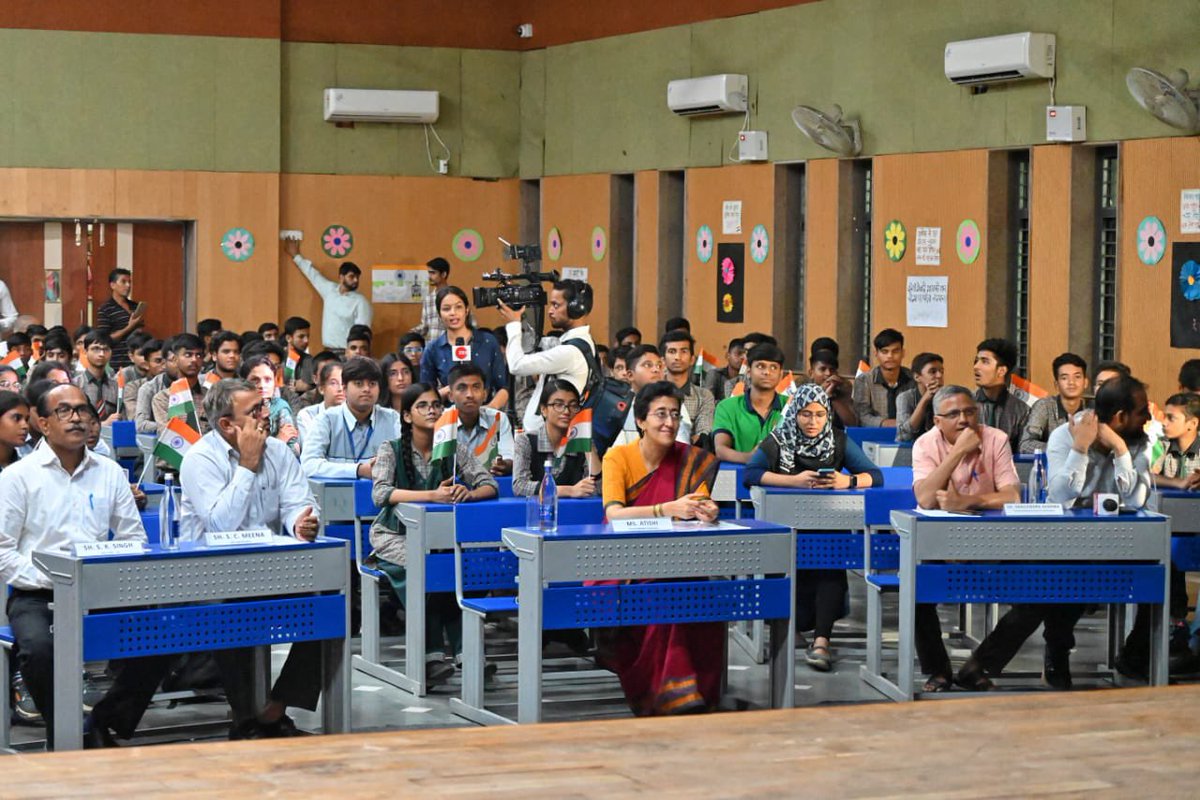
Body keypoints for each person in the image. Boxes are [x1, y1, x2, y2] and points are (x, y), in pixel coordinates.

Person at [0, 383, 171, 746]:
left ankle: (102, 724)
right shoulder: (18, 478)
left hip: (99, 590)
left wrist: (103, 578)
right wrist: (57, 582)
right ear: (43, 424)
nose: (77, 418)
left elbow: (133, 539)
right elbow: (3, 552)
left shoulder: (109, 472)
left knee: (161, 634)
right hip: (38, 594)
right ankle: (61, 731)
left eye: (83, 410)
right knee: (38, 649)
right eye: (64, 411)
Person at [178, 378, 323, 738]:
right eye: (255, 410)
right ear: (227, 424)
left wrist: (299, 523)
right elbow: (220, 527)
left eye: (264, 406)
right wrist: (246, 464)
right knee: (233, 609)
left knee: (334, 604)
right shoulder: (200, 459)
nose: (266, 414)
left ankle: (276, 707)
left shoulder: (279, 451)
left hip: (269, 568)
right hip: (209, 575)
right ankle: (245, 720)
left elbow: (298, 502)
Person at [600, 381, 722, 715]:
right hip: (622, 564)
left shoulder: (690, 460)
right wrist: (665, 509)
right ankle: (672, 693)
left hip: (676, 558)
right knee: (662, 594)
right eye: (660, 414)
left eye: (674, 414)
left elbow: (696, 505)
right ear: (641, 421)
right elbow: (613, 515)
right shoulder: (618, 457)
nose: (669, 422)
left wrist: (708, 510)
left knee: (702, 594)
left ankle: (697, 690)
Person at [744, 384, 883, 672]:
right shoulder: (778, 440)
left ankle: (822, 642)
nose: (813, 422)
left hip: (828, 527)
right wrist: (793, 481)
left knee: (830, 569)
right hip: (785, 527)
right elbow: (751, 474)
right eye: (806, 414)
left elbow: (876, 476)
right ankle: (788, 625)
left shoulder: (839, 440)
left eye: (820, 415)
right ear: (794, 413)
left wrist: (848, 482)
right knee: (784, 570)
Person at [368, 382, 499, 684]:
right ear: (407, 416)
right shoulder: (390, 449)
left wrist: (470, 493)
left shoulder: (454, 448)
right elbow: (380, 494)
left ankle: (469, 654)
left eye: (435, 406)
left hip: (439, 539)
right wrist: (431, 496)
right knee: (427, 569)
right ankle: (430, 656)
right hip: (393, 534)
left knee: (455, 570)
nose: (431, 411)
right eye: (422, 406)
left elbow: (489, 483)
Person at [910, 385, 1022, 692]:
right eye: (954, 414)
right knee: (915, 581)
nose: (964, 419)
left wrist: (969, 502)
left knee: (1038, 589)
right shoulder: (924, 444)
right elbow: (925, 498)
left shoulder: (995, 438)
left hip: (993, 542)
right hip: (940, 543)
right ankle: (938, 670)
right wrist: (958, 450)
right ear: (937, 421)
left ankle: (978, 665)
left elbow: (1012, 495)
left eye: (970, 411)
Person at [497, 280, 597, 432]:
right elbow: (533, 345)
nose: (550, 311)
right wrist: (519, 314)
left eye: (556, 305)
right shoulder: (577, 344)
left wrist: (513, 324)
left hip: (550, 441)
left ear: (576, 308)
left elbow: (517, 365)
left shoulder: (570, 352)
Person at [300, 357, 400, 479]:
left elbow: (406, 464)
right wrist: (359, 470)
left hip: (380, 496)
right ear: (345, 388)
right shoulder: (326, 420)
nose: (366, 389)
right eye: (359, 383)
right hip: (335, 497)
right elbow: (309, 465)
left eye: (372, 384)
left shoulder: (392, 419)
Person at [419, 286, 508, 411]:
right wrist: (449, 390)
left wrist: (489, 410)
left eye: (458, 307)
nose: (453, 313)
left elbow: (503, 387)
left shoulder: (488, 342)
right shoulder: (433, 349)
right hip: (450, 417)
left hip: (486, 413)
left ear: (466, 310)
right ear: (439, 314)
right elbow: (425, 396)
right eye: (446, 309)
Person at [283, 238, 372, 351]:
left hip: (347, 353)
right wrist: (296, 255)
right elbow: (312, 274)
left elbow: (362, 333)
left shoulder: (361, 302)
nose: (355, 280)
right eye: (351, 276)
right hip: (327, 350)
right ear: (341, 277)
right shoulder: (330, 291)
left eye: (357, 277)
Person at [512, 380, 597, 498]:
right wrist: (568, 491)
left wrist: (588, 443)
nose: (566, 411)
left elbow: (598, 486)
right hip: (537, 511)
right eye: (558, 405)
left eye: (573, 406)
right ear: (543, 409)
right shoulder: (526, 441)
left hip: (576, 511)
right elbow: (520, 486)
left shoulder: (582, 441)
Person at [713, 343, 788, 463]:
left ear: (781, 375)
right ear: (748, 371)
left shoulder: (790, 406)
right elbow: (721, 449)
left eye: (773, 367)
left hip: (782, 478)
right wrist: (750, 458)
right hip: (739, 476)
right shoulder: (727, 407)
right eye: (760, 366)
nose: (767, 372)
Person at [613, 346, 689, 447]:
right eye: (648, 365)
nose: (656, 370)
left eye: (659, 366)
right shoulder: (620, 408)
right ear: (630, 375)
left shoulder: (675, 405)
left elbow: (681, 446)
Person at [447, 363, 514, 476]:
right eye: (462, 388)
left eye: (476, 387)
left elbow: (509, 455)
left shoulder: (498, 418)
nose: (469, 395)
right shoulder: (440, 422)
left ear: (485, 394)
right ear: (451, 396)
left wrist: (503, 464)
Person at [1019, 353, 1089, 454]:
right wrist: (1061, 449)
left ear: (1085, 382)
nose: (1071, 382)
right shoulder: (1044, 406)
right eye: (1064, 378)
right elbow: (1025, 444)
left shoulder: (1091, 412)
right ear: (1056, 385)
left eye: (1077, 377)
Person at [972, 338, 1029, 451]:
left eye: (984, 361)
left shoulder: (1021, 410)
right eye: (976, 361)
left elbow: (1023, 449)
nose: (976, 367)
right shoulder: (967, 404)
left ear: (1001, 371)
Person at [660, 330, 715, 446]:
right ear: (663, 361)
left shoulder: (704, 396)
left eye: (683, 351)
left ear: (692, 359)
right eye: (672, 351)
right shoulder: (652, 393)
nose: (677, 357)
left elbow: (703, 433)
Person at [239, 355, 300, 454]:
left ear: (275, 382)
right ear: (243, 382)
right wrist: (278, 441)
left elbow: (293, 449)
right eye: (255, 380)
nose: (262, 386)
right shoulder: (237, 410)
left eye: (268, 380)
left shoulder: (280, 407)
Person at [852, 328, 914, 427]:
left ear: (903, 353)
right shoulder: (864, 380)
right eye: (885, 352)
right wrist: (885, 423)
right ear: (876, 353)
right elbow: (861, 416)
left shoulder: (913, 379)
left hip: (908, 433)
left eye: (895, 351)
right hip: (874, 434)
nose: (890, 356)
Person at [151, 334, 209, 438]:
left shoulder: (210, 396)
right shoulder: (163, 398)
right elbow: (168, 436)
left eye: (199, 355)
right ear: (174, 359)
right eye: (188, 355)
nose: (194, 360)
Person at [94, 268, 144, 369]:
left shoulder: (134, 305)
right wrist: (129, 327)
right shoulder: (105, 309)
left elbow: (139, 330)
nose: (128, 286)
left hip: (137, 359)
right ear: (113, 285)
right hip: (118, 361)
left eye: (129, 282)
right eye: (123, 282)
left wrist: (138, 327)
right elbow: (104, 339)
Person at [895, 352, 944, 442]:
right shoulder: (905, 398)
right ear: (917, 377)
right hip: (909, 450)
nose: (939, 376)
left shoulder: (947, 397)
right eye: (933, 372)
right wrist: (925, 399)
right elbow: (904, 436)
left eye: (941, 371)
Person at [73, 330, 119, 421]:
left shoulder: (116, 387)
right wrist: (104, 424)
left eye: (106, 349)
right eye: (96, 349)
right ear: (85, 352)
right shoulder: (75, 385)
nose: (101, 354)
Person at [806, 348, 857, 429]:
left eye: (832, 370)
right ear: (811, 373)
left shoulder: (842, 389)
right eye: (822, 369)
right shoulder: (803, 391)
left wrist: (832, 397)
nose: (828, 373)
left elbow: (852, 423)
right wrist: (821, 393)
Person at [135, 337, 176, 435]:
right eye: (158, 361)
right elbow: (141, 425)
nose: (164, 366)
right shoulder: (148, 389)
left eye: (167, 360)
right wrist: (173, 427)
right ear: (146, 364)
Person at [296, 361, 344, 441]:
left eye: (343, 383)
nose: (340, 389)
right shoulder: (307, 415)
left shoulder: (355, 414)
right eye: (333, 383)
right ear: (321, 389)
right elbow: (312, 449)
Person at [409, 257, 451, 340]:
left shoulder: (455, 296)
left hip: (450, 347)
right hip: (432, 348)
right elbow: (425, 326)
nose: (429, 276)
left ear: (443, 274)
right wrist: (411, 333)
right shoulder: (428, 299)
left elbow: (470, 323)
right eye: (428, 273)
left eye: (433, 273)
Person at [702, 338, 744, 403]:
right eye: (738, 354)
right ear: (728, 356)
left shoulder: (748, 378)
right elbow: (707, 402)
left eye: (745, 355)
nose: (742, 358)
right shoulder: (715, 374)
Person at [282, 316, 314, 393]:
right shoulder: (279, 358)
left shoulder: (309, 360)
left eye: (308, 336)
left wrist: (308, 387)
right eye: (301, 337)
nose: (306, 341)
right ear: (288, 338)